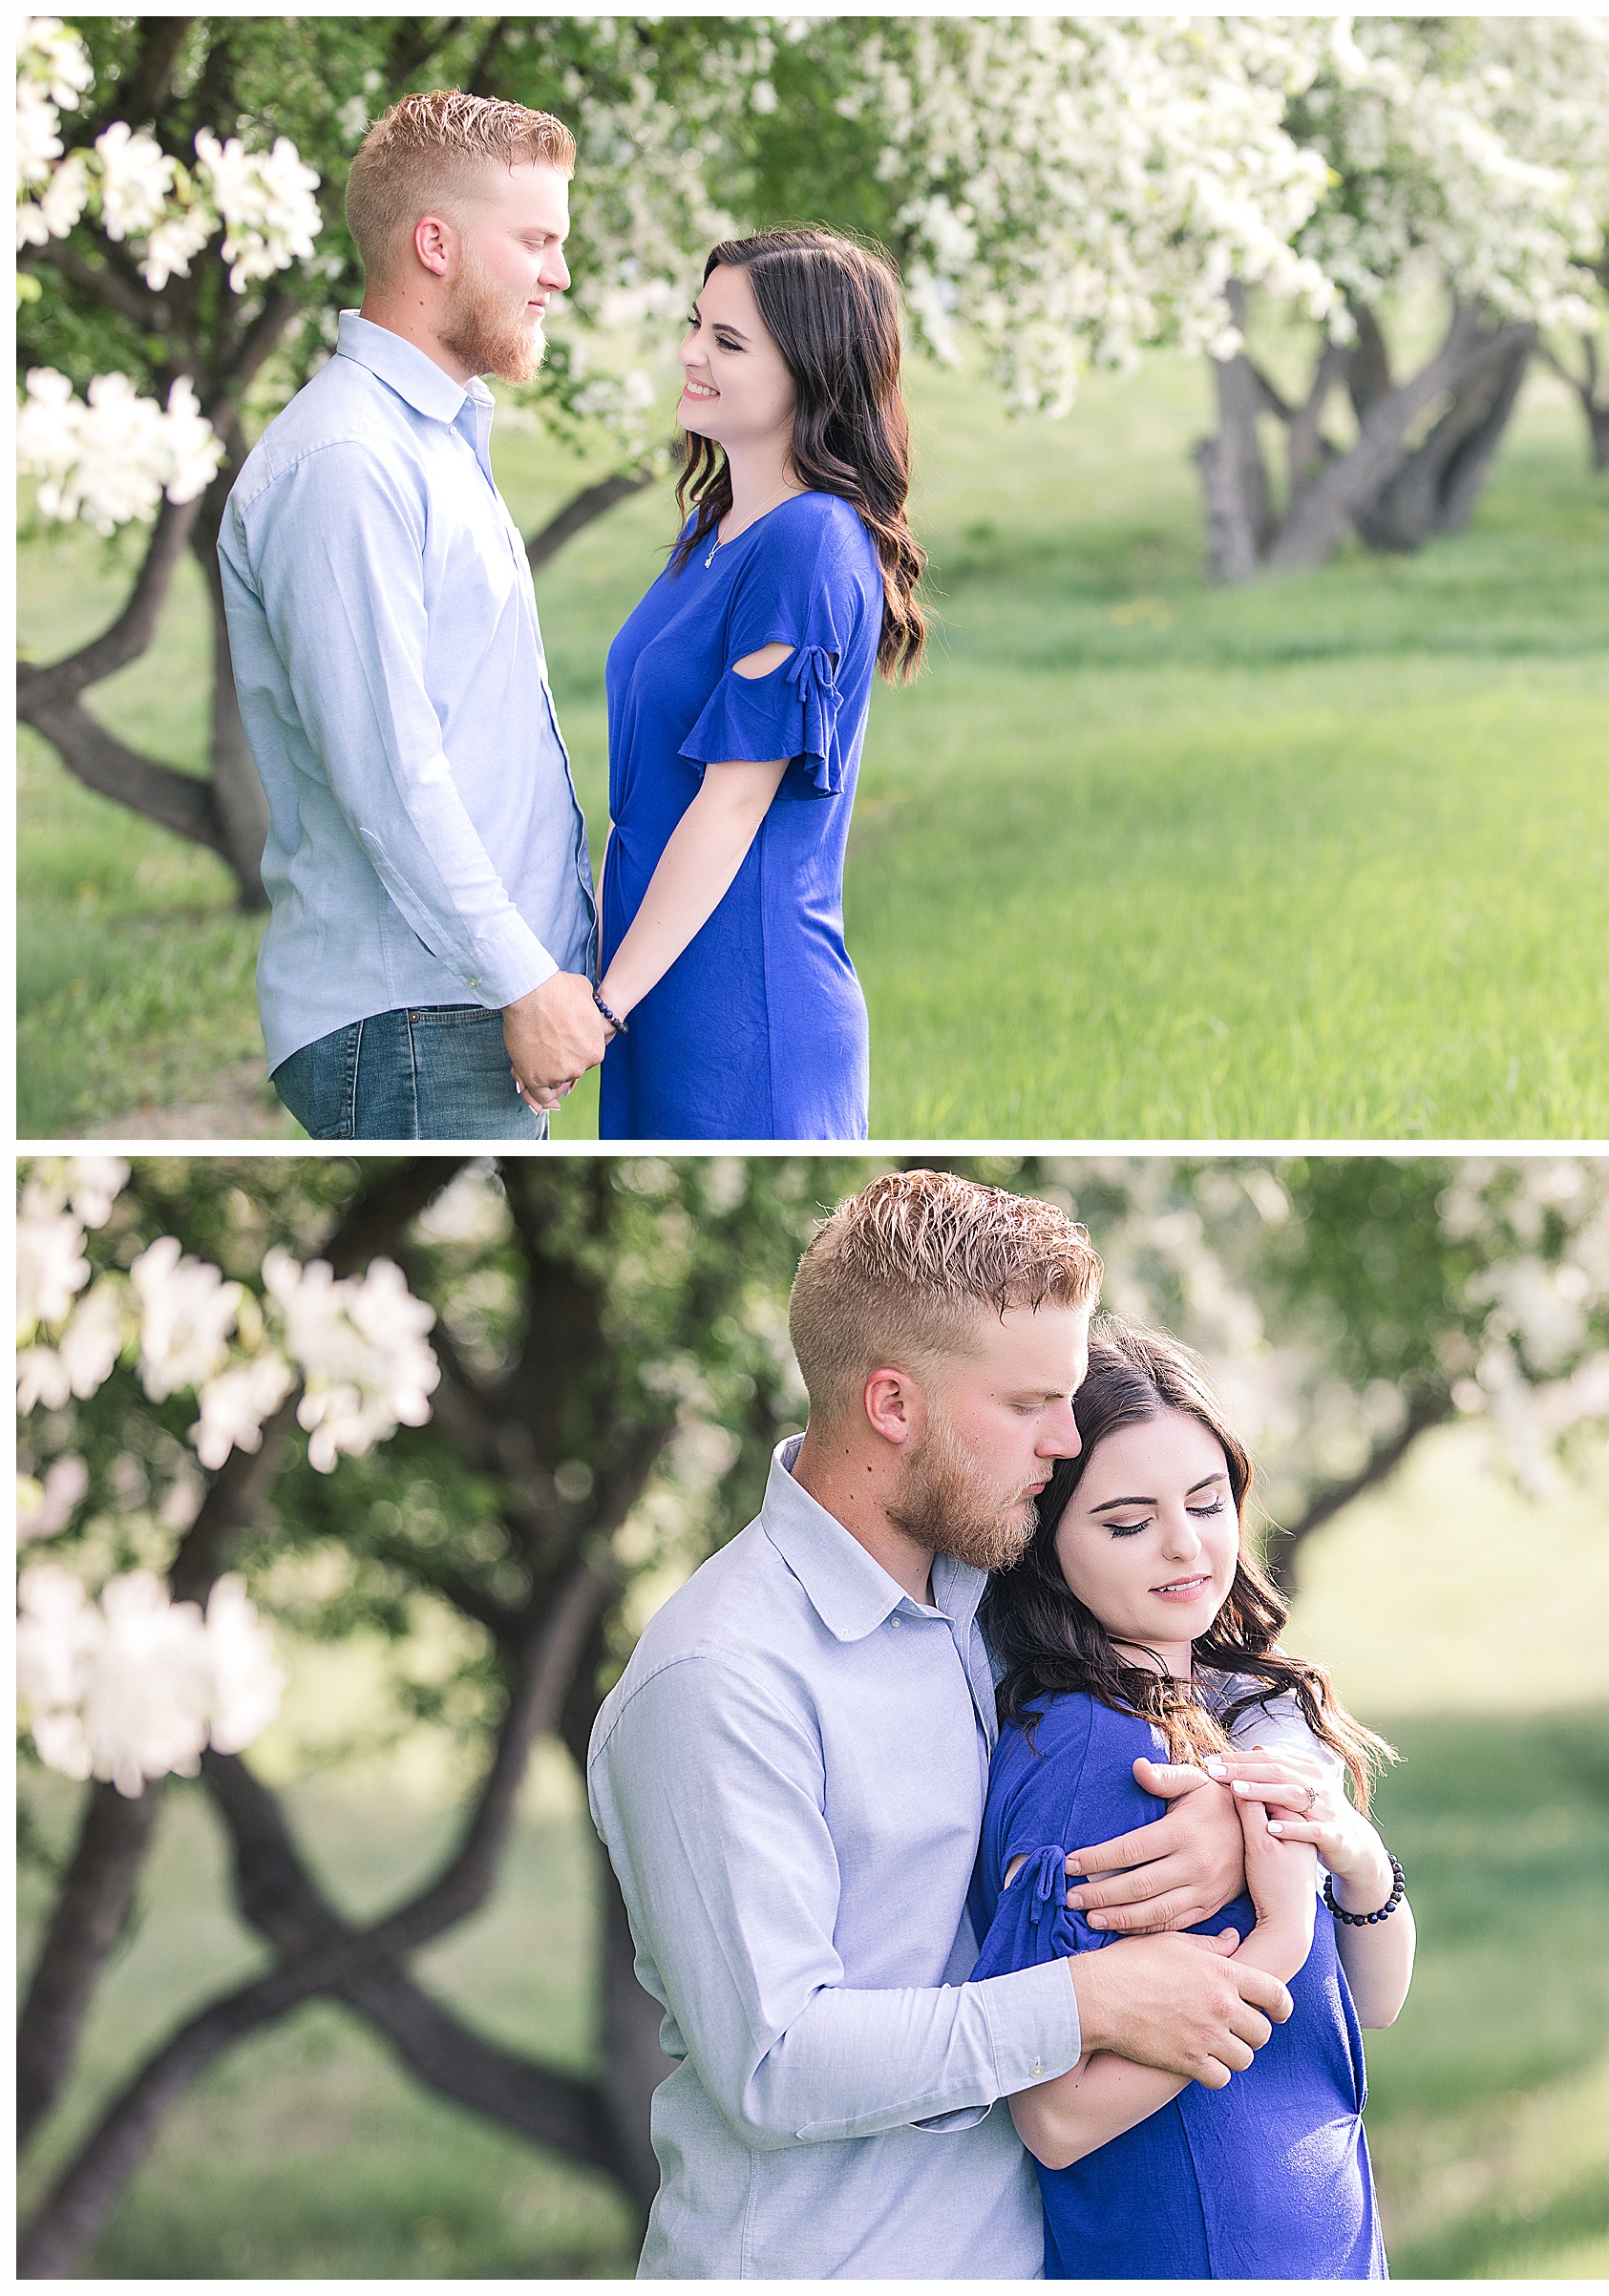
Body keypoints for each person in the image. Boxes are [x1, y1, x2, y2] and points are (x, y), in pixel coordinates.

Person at [586, 1170, 1295, 2279]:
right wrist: (1087, 1998)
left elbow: (1218, 1663)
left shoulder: (994, 1590)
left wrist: (1229, 1812)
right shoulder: (719, 1678)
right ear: (892, 1405)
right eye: (1028, 1405)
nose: (1067, 1441)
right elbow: (776, 2060)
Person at [972, 1322, 1416, 2279]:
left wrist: (1355, 1854)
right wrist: (1281, 1936)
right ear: (1048, 1545)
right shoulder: (1091, 1754)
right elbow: (1055, 2117)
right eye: (1127, 1521)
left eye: (1208, 1502)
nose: (1185, 1546)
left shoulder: (1230, 1718)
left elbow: (1373, 2004)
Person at [219, 92, 607, 1140]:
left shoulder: (431, 441)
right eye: (535, 240)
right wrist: (524, 979)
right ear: (435, 243)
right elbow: (387, 769)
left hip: (462, 1004)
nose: (558, 274)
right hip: (416, 1014)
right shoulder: (347, 460)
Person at [525, 230, 925, 1140]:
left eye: (729, 342)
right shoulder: (712, 533)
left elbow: (733, 804)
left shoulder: (809, 541)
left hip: (743, 1001)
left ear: (814, 374)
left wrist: (603, 1005)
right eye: (695, 325)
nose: (689, 354)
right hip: (654, 985)